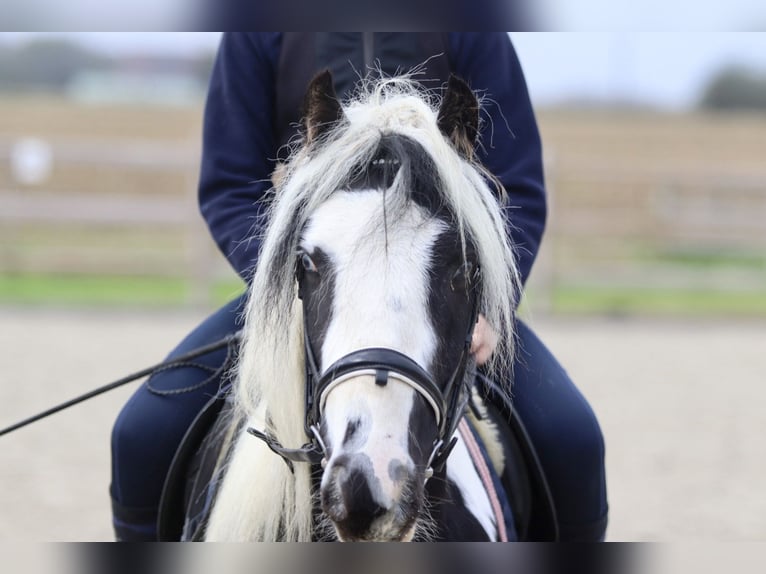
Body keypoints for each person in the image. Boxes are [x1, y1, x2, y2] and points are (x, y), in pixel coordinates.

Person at [110, 33, 608, 542]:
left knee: (572, 440)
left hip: (443, 298)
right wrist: (290, 283)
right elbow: (229, 183)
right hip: (309, 289)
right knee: (142, 434)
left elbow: (517, 188)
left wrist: (490, 307)